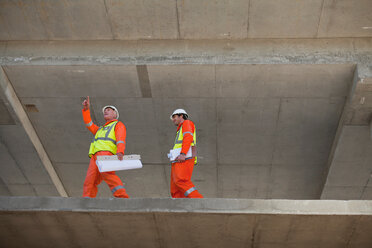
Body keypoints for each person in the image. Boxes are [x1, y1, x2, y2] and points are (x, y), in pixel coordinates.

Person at [81, 96, 129, 198]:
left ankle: (122, 197)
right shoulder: (100, 129)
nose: (105, 111)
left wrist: (120, 151)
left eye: (109, 110)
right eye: (105, 111)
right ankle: (87, 200)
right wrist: (86, 110)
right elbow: (89, 124)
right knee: (90, 180)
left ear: (115, 114)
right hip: (95, 157)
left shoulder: (118, 124)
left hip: (106, 154)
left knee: (108, 174)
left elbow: (121, 139)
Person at [169, 109, 203, 198]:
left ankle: (199, 200)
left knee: (181, 181)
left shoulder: (187, 123)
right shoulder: (180, 128)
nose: (173, 119)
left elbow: (188, 138)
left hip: (184, 158)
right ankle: (180, 206)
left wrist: (183, 154)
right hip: (178, 159)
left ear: (181, 116)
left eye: (174, 116)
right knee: (175, 187)